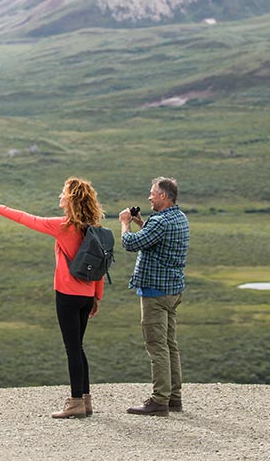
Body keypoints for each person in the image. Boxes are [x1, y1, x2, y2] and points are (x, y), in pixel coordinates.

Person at [0, 177, 106, 419]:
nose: (60, 196)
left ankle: (76, 402)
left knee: (72, 349)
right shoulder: (94, 229)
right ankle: (85, 400)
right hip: (87, 296)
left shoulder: (63, 226)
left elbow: (27, 218)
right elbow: (100, 267)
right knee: (79, 347)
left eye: (63, 193)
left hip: (67, 295)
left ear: (72, 200)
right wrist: (96, 296)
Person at [119, 177, 189, 416]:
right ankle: (174, 398)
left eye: (152, 193)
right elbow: (156, 242)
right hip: (173, 290)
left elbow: (130, 244)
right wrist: (142, 223)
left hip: (155, 293)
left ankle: (159, 400)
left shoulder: (160, 222)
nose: (149, 197)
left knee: (156, 346)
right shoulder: (179, 218)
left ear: (163, 196)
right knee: (170, 345)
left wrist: (125, 223)